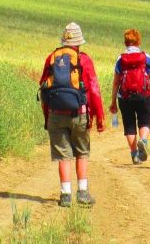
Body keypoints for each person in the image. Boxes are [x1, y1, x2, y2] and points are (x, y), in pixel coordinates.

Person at [39, 22, 105, 207]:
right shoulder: (84, 60)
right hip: (80, 114)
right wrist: (99, 116)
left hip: (56, 114)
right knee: (82, 152)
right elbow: (93, 89)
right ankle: (82, 193)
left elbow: (43, 87)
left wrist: (48, 115)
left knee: (63, 155)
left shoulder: (51, 58)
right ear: (79, 42)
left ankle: (65, 194)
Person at [109, 28, 150, 165]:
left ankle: (134, 154)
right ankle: (143, 140)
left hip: (125, 96)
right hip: (144, 95)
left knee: (129, 125)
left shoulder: (120, 59)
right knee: (144, 121)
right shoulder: (146, 57)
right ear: (139, 41)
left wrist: (113, 101)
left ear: (125, 42)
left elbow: (116, 82)